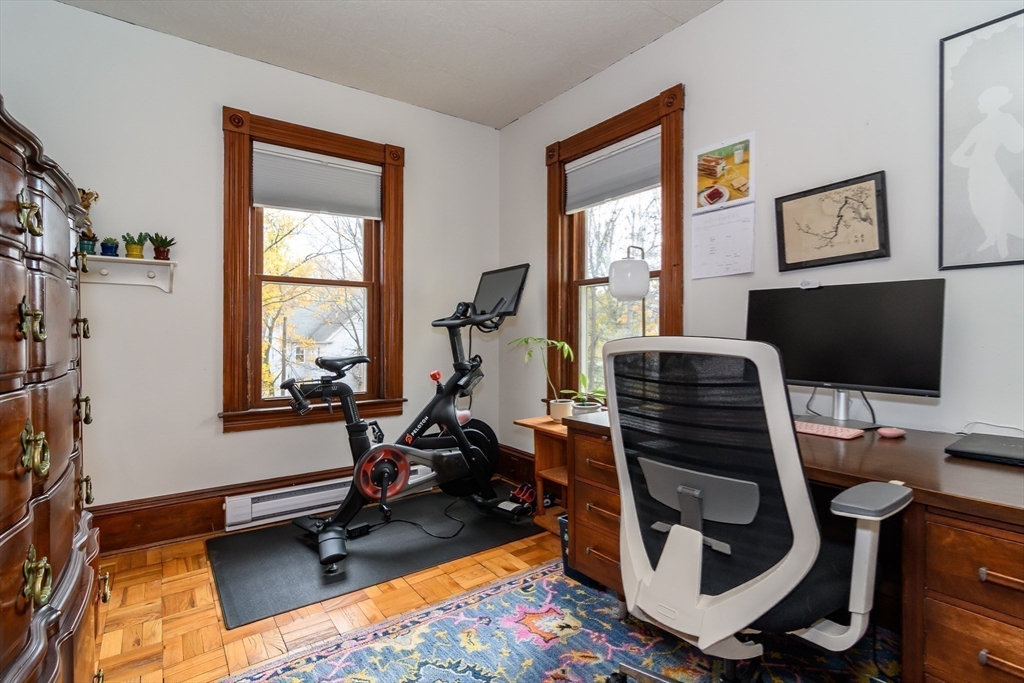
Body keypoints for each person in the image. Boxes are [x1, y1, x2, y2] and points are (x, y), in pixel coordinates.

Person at [950, 85, 1024, 259]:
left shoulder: (1006, 119)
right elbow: (955, 157)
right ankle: (992, 236)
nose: (977, 106)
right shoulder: (978, 127)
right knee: (979, 204)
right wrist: (975, 162)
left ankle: (1002, 240)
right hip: (977, 173)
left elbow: (1017, 147)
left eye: (980, 102)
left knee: (999, 203)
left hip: (991, 171)